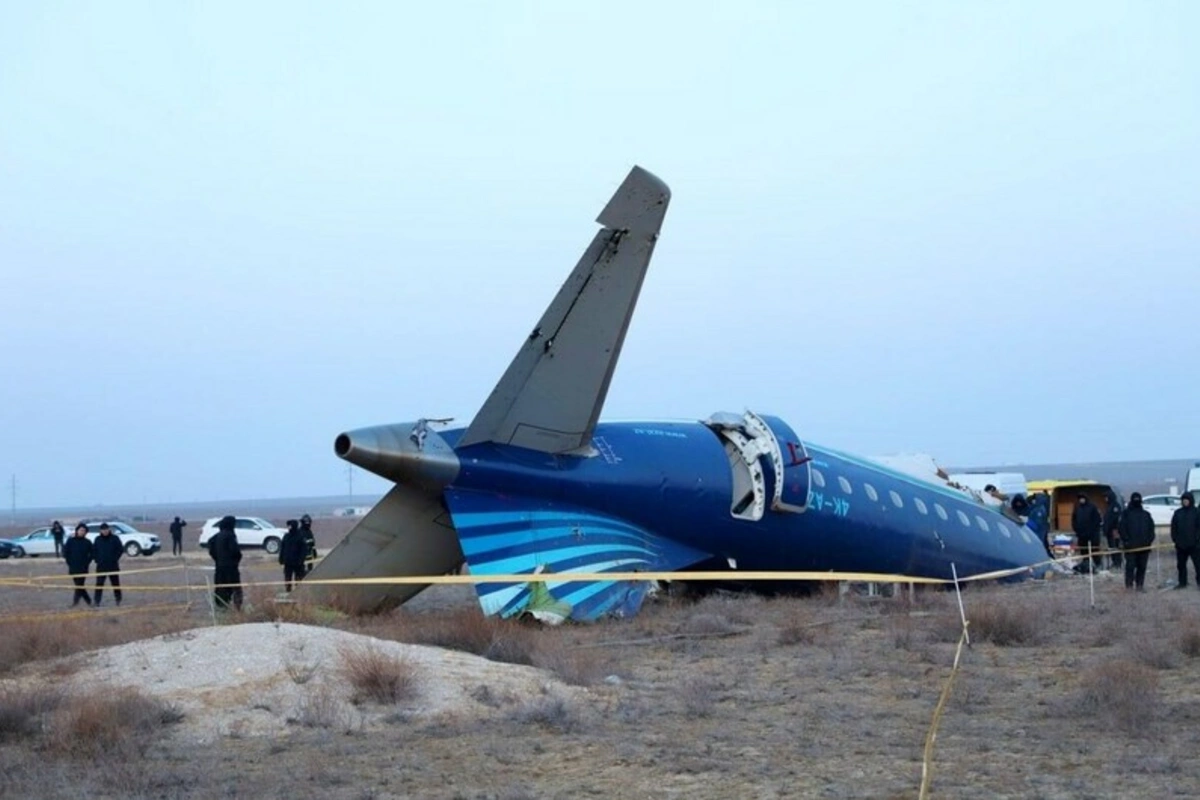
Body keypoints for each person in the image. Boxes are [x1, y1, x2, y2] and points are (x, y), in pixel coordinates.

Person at [1118, 492, 1156, 591]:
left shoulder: (1146, 515)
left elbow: (1151, 529)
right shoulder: (1126, 514)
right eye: (1135, 499)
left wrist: (1149, 541)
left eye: (1138, 499)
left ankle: (1140, 585)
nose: (1136, 501)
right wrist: (1126, 540)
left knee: (1142, 567)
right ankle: (1129, 586)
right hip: (1130, 546)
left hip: (1144, 546)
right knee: (1130, 567)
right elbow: (1122, 528)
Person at [208, 515, 243, 611]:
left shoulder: (217, 536)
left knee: (221, 588)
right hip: (231, 568)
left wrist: (217, 559)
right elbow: (235, 551)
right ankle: (237, 608)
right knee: (236, 588)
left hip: (219, 567)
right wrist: (236, 560)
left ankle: (222, 606)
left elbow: (210, 545)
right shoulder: (230, 535)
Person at [1170, 492, 1200, 589]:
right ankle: (1182, 582)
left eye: (1187, 500)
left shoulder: (1196, 512)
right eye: (1183, 500)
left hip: (1194, 545)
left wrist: (1197, 540)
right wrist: (1175, 540)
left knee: (1198, 565)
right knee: (1181, 565)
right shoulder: (1178, 513)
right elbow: (1173, 527)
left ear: (1191, 500)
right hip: (1181, 545)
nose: (1185, 502)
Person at [92, 522, 124, 606]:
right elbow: (94, 551)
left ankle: (118, 599)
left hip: (113, 565)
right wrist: (97, 560)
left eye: (106, 529)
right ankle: (97, 601)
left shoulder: (115, 538)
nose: (105, 531)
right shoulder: (97, 539)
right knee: (99, 584)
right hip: (101, 566)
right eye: (103, 530)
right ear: (100, 530)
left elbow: (120, 549)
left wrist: (115, 558)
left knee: (115, 584)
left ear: (109, 529)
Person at [63, 523, 94, 607]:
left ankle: (76, 603)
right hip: (73, 567)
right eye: (80, 530)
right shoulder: (71, 541)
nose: (82, 532)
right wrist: (69, 562)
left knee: (79, 585)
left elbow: (92, 553)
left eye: (84, 531)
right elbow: (65, 552)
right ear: (77, 531)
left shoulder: (87, 542)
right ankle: (88, 601)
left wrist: (87, 562)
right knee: (79, 585)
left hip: (83, 567)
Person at [1071, 494, 1103, 574]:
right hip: (1081, 535)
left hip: (1092, 535)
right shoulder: (1077, 508)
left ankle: (1098, 565)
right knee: (1084, 551)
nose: (1081, 500)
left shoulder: (1092, 507)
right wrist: (1077, 530)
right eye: (1080, 499)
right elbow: (1074, 520)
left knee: (1094, 551)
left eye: (1082, 498)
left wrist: (1092, 531)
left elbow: (1097, 520)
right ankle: (1086, 566)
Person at [279, 519, 306, 592]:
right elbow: (282, 548)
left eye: (290, 526)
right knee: (288, 579)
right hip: (288, 563)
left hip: (298, 563)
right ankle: (288, 591)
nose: (289, 527)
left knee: (299, 579)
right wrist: (281, 559)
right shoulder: (286, 536)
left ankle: (299, 592)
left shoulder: (300, 536)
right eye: (288, 526)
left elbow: (303, 550)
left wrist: (301, 561)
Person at [1103, 492, 1124, 571]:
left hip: (1114, 531)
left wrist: (1111, 528)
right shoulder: (1109, 507)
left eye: (1106, 497)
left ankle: (1117, 563)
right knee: (1111, 547)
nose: (1105, 499)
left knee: (1115, 547)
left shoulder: (1115, 507)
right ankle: (1114, 562)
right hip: (1109, 531)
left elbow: (1115, 519)